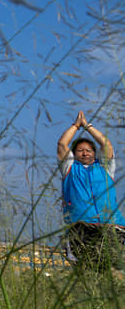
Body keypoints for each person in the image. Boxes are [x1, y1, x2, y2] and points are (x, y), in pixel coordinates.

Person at [58, 110, 125, 273]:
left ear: (95, 154)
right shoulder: (69, 169)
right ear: (74, 154)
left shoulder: (105, 168)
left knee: (115, 270)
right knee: (87, 271)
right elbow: (62, 144)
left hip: (111, 225)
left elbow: (106, 144)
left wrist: (87, 126)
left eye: (89, 150)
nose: (85, 152)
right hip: (81, 227)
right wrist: (76, 125)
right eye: (80, 150)